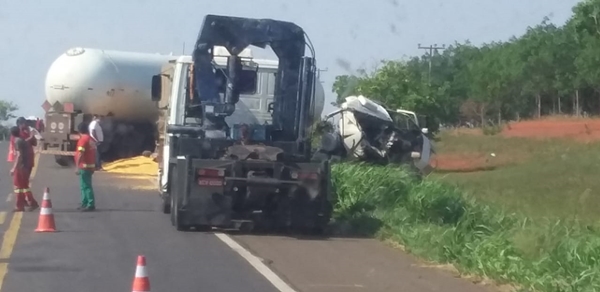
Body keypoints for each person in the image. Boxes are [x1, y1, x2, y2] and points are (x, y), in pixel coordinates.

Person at [10, 126, 39, 212]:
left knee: (19, 187)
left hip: (21, 167)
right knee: (23, 186)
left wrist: (13, 168)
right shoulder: (22, 140)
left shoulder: (17, 141)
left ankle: (21, 205)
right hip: (26, 166)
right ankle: (28, 203)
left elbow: (19, 155)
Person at [75, 122, 96, 211]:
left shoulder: (83, 140)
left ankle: (90, 204)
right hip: (90, 165)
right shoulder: (91, 139)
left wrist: (77, 166)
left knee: (86, 186)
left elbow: (80, 153)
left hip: (84, 166)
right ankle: (85, 203)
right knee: (84, 186)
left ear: (79, 131)